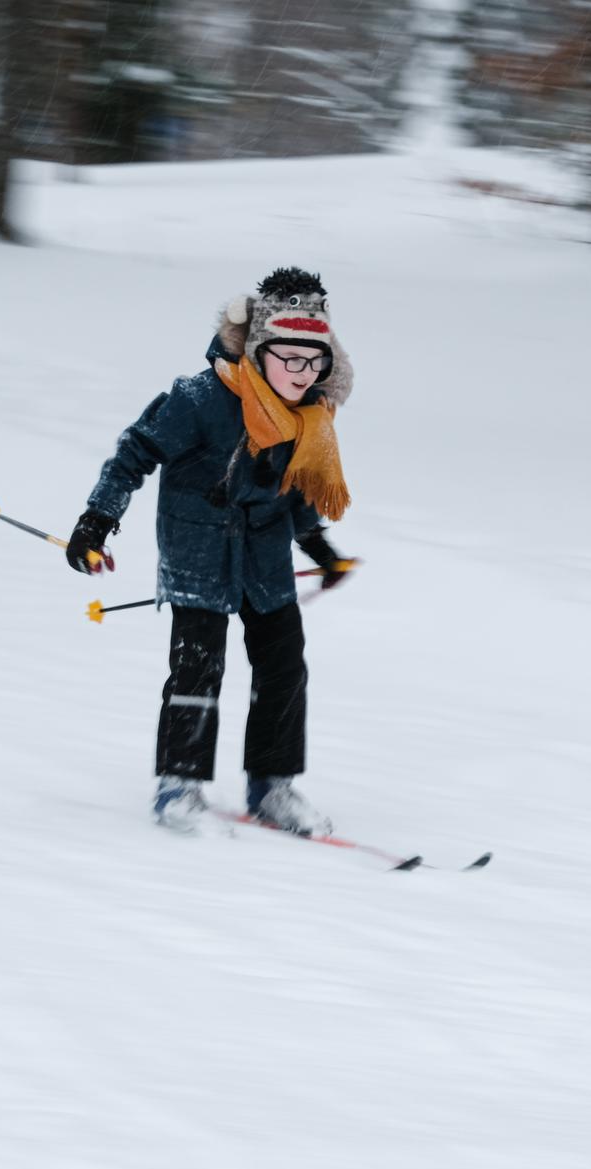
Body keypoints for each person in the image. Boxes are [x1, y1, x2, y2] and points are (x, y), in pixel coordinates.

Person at [66, 267, 357, 836]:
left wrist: (318, 544)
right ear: (258, 350)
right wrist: (97, 520)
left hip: (265, 559)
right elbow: (134, 452)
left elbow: (295, 485)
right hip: (198, 551)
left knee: (283, 669)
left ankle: (272, 786)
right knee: (198, 670)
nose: (302, 373)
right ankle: (180, 786)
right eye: (289, 358)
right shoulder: (200, 398)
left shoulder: (308, 416)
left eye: (314, 360)